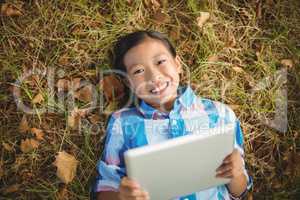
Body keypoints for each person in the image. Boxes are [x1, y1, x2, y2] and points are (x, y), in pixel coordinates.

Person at [93, 30, 253, 200]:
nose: (154, 76)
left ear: (177, 64)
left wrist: (236, 174)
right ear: (128, 82)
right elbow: (105, 189)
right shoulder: (122, 123)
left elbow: (239, 192)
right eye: (138, 71)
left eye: (160, 61)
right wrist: (121, 197)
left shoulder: (220, 114)